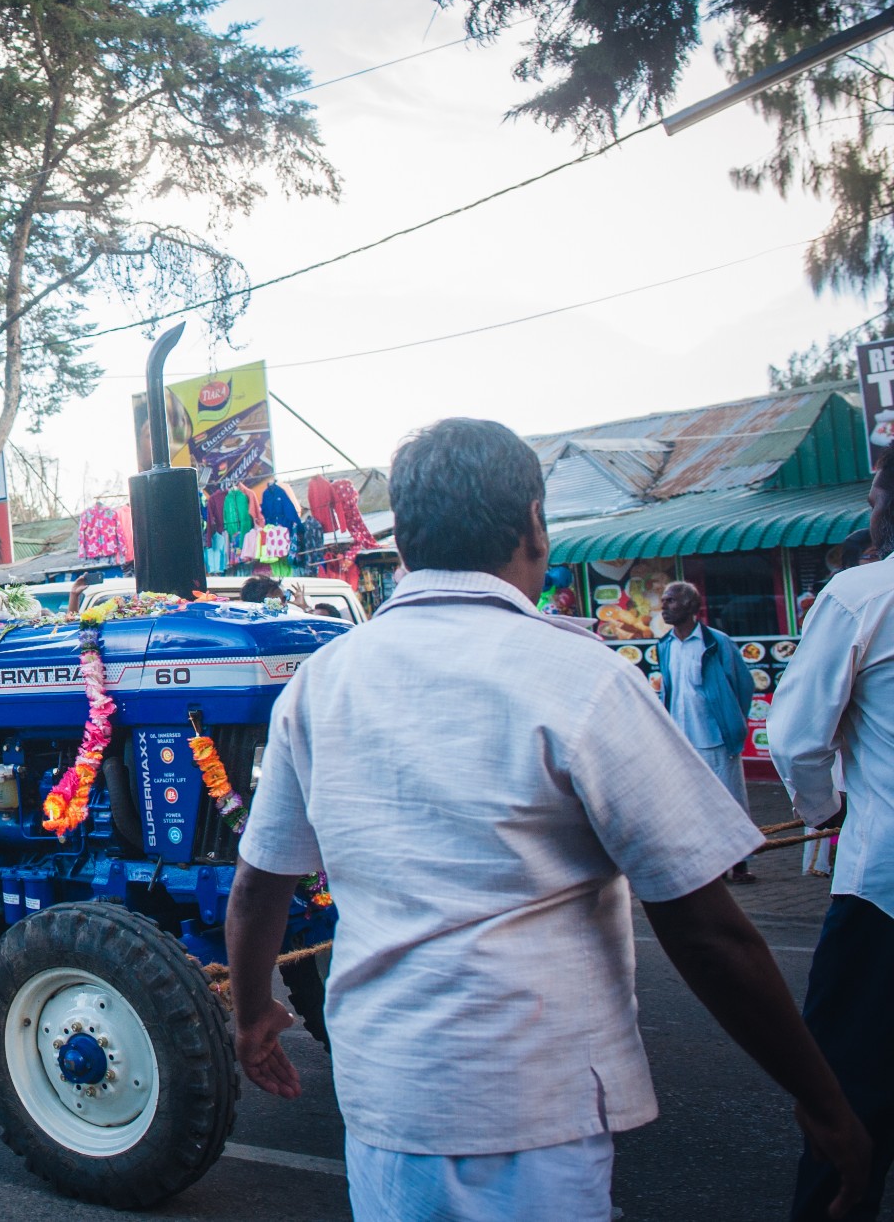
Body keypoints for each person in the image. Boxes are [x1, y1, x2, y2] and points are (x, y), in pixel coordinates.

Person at [223, 417, 868, 1222]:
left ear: (408, 540)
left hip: (386, 1099)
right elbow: (705, 928)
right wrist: (824, 1100)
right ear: (534, 524)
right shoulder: (581, 676)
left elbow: (258, 886)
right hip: (533, 1108)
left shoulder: (320, 684)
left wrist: (253, 1017)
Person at [771, 453, 894, 1219]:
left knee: (845, 1116)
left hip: (884, 897)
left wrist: (822, 810)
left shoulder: (862, 596)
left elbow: (795, 740)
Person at [658, 579, 758, 883]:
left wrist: (732, 719)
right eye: (663, 601)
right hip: (682, 737)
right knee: (692, 803)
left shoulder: (717, 642)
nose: (664, 606)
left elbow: (743, 685)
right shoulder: (665, 645)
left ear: (690, 606)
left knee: (730, 800)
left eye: (671, 601)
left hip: (716, 738)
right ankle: (708, 863)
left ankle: (739, 864)